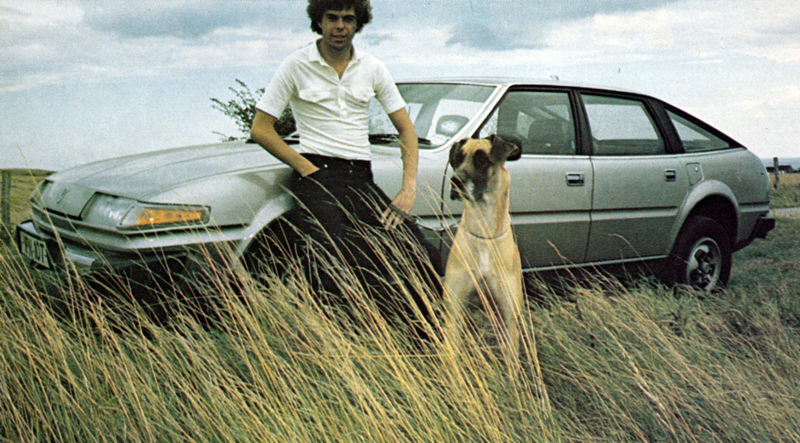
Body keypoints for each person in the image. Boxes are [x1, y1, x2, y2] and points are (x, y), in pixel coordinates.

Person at [249, 0, 442, 340]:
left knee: (418, 251)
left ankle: (424, 341)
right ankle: (345, 346)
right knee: (334, 261)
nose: (340, 26)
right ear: (319, 21)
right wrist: (306, 168)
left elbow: (406, 130)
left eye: (348, 19)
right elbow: (261, 128)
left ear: (358, 24)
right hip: (316, 177)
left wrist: (408, 188)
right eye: (332, 18)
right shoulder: (296, 64)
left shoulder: (372, 67)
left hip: (360, 179)